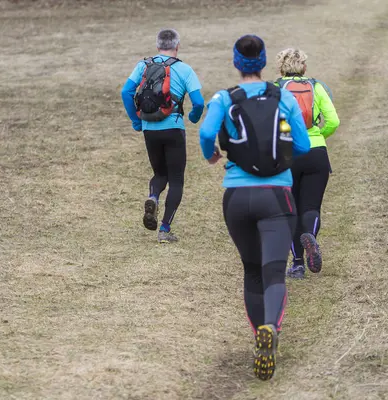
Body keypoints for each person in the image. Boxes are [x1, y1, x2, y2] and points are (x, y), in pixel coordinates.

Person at [199, 35, 310, 381]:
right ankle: (270, 329)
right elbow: (304, 144)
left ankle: (257, 338)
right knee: (274, 271)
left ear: (236, 63)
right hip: (277, 195)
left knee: (251, 269)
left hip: (236, 197)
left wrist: (212, 154)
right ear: (263, 62)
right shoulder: (284, 96)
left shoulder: (223, 98)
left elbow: (205, 132)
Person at [121, 29, 205, 243]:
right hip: (174, 128)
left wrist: (136, 120)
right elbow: (198, 102)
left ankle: (152, 197)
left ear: (157, 45)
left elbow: (125, 92)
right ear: (177, 46)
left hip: (150, 128)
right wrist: (194, 117)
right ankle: (165, 229)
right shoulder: (184, 69)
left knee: (160, 174)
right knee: (176, 179)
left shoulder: (143, 66)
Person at [274, 48, 340, 279]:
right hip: (316, 152)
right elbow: (333, 121)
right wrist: (319, 135)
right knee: (311, 207)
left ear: (281, 67)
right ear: (304, 66)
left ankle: (298, 264)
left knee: (290, 210)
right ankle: (310, 236)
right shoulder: (317, 87)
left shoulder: (274, 89)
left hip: (287, 155)